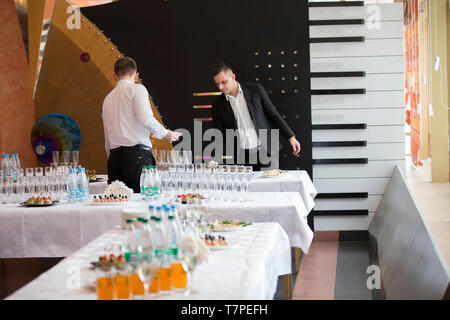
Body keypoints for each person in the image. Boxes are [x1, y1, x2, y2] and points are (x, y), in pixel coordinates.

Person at [102, 57, 181, 192]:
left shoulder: (107, 98)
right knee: (142, 204)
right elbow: (145, 118)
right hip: (136, 157)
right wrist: (165, 134)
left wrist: (112, 158)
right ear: (136, 75)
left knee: (117, 206)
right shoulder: (137, 89)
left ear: (114, 76)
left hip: (114, 160)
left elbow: (106, 136)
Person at [211, 63, 301, 170]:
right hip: (241, 157)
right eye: (217, 84)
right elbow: (219, 134)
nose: (220, 87)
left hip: (267, 150)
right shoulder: (217, 104)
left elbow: (273, 114)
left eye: (224, 82)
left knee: (271, 185)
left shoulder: (256, 90)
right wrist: (215, 158)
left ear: (233, 77)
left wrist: (291, 137)